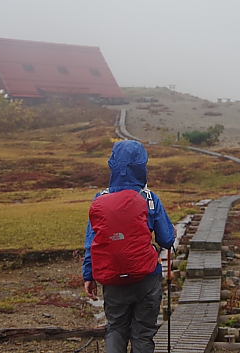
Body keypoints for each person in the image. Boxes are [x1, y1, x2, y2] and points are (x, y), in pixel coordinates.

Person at [82, 140, 175, 353]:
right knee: (143, 333)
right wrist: (171, 233)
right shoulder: (149, 198)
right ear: (141, 167)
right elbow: (166, 240)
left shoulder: (100, 199)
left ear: (113, 165)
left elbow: (92, 242)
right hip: (146, 278)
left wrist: (89, 275)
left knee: (115, 328)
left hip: (112, 278)